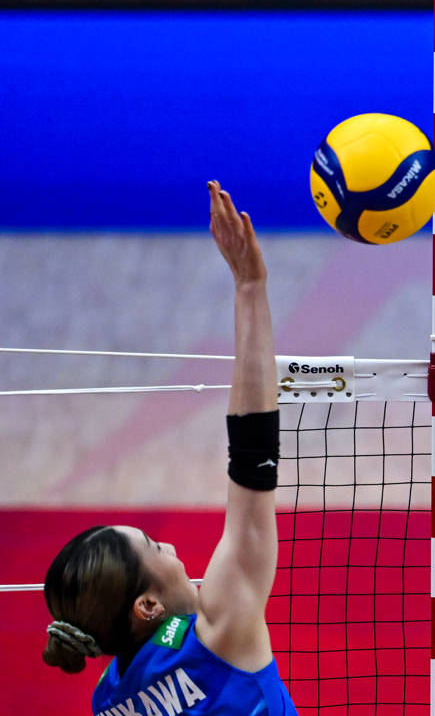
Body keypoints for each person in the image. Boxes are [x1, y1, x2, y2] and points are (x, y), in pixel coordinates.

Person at [42, 181, 299, 715]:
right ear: (147, 605)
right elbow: (253, 462)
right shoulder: (219, 635)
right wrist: (250, 286)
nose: (177, 553)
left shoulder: (107, 702)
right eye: (158, 549)